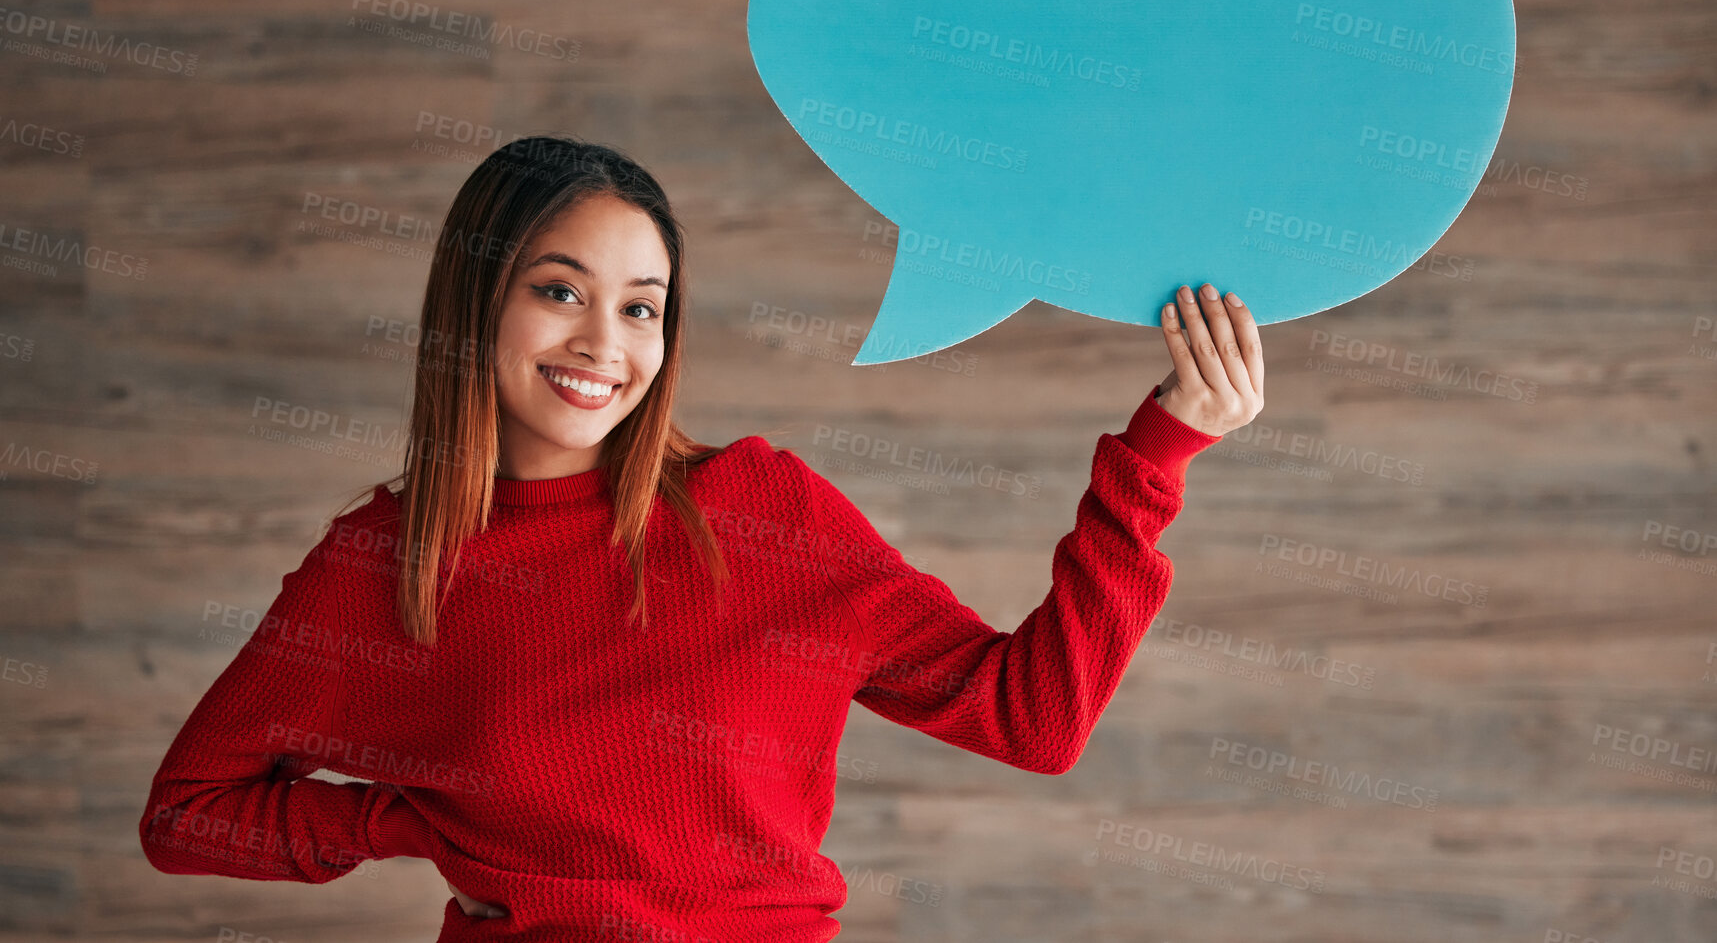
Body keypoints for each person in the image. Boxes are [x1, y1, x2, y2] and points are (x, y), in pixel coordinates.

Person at [137, 136, 1264, 940]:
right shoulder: (383, 569)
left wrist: (1155, 459)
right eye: (557, 290)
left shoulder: (763, 512)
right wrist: (409, 823)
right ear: (473, 301)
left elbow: (1032, 717)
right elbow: (188, 817)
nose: (602, 341)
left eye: (640, 305)